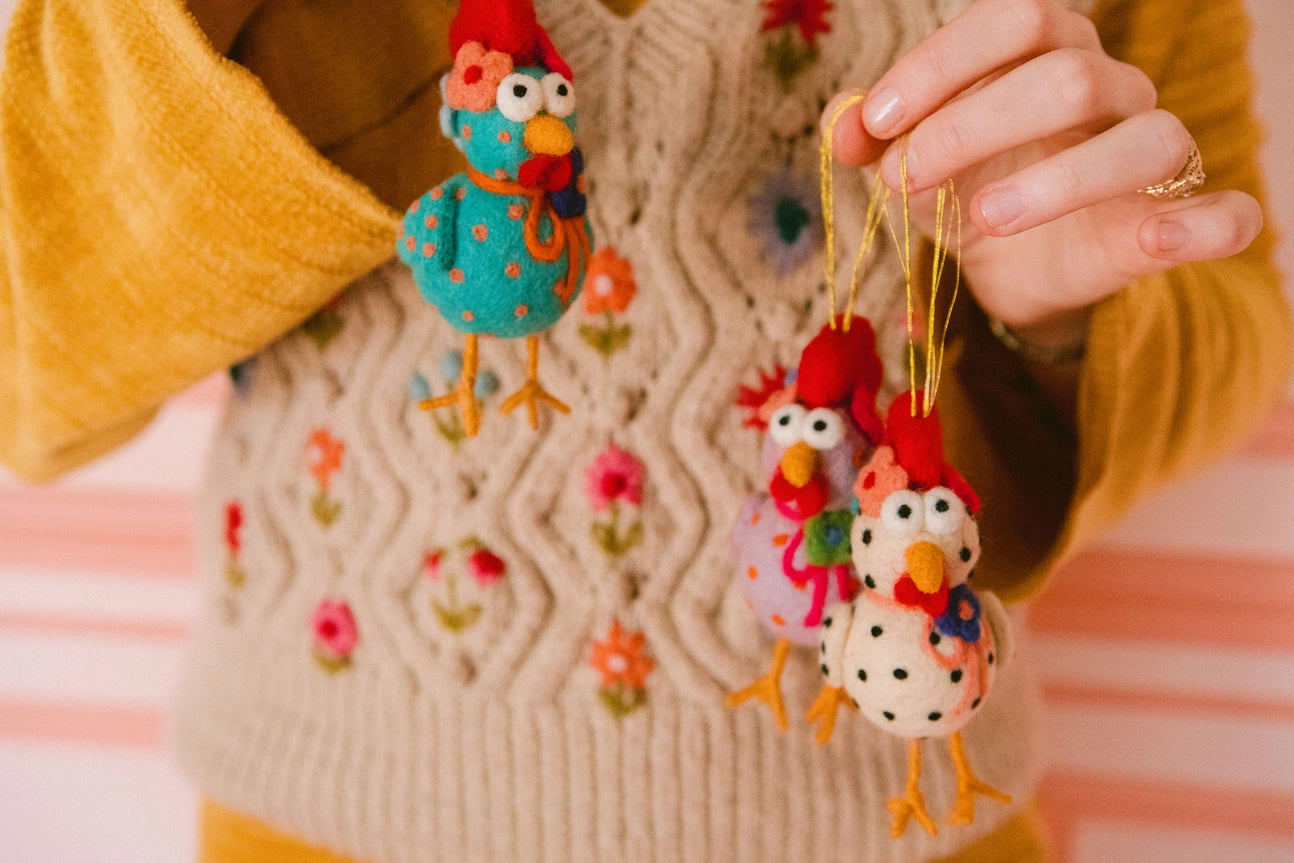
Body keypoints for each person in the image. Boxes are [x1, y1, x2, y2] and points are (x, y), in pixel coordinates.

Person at [1, 0, 1288, 861]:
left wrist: (1059, 308)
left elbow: (1227, 298)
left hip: (899, 821)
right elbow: (31, 351)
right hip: (319, 818)